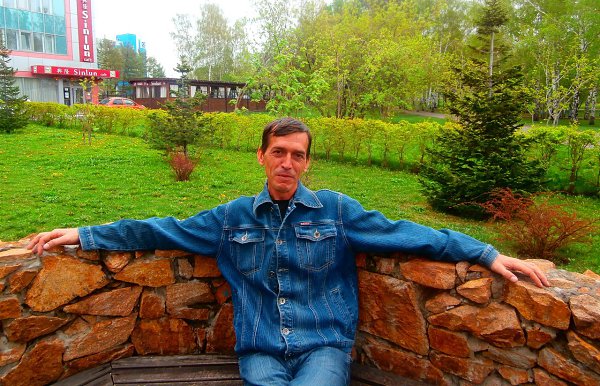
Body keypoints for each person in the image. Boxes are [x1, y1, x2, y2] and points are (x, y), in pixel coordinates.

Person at [28, 117, 549, 386]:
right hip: (259, 349)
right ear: (261, 156)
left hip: (323, 345)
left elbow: (407, 232)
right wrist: (85, 234)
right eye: (278, 152)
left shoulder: (336, 211)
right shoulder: (231, 218)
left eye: (297, 155)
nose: (287, 163)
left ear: (307, 163)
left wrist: (485, 252)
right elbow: (160, 230)